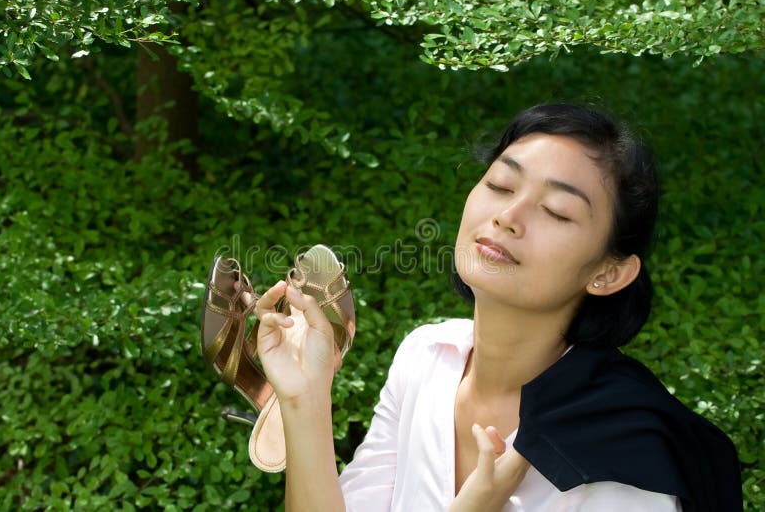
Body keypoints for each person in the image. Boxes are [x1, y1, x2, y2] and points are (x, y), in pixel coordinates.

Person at [249, 103, 742, 511]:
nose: (507, 217)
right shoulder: (427, 357)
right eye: (502, 185)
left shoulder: (622, 458)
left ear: (608, 273)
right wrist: (305, 397)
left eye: (556, 211)